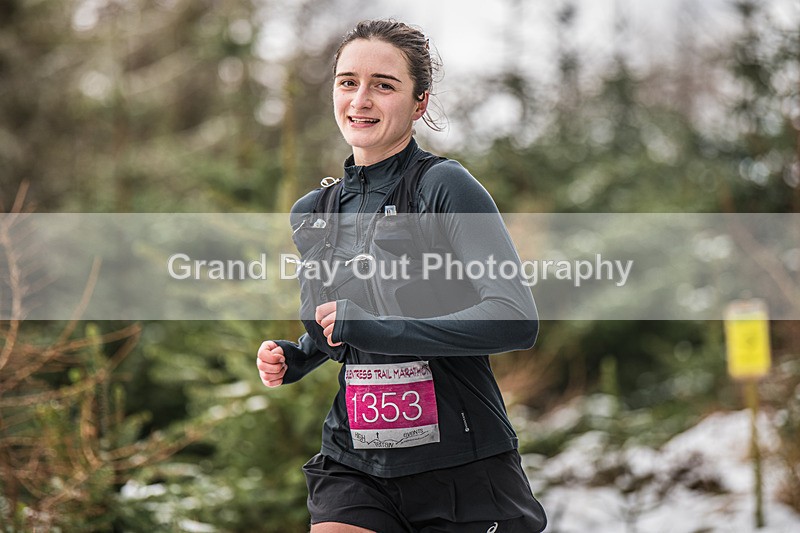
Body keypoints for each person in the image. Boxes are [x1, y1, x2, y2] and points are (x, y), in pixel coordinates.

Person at [256, 19, 546, 533]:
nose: (360, 99)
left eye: (383, 85)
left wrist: (377, 328)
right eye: (348, 82)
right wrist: (299, 353)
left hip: (461, 467)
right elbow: (341, 322)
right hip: (355, 462)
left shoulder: (444, 187)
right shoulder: (315, 211)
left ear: (419, 103)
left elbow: (515, 318)